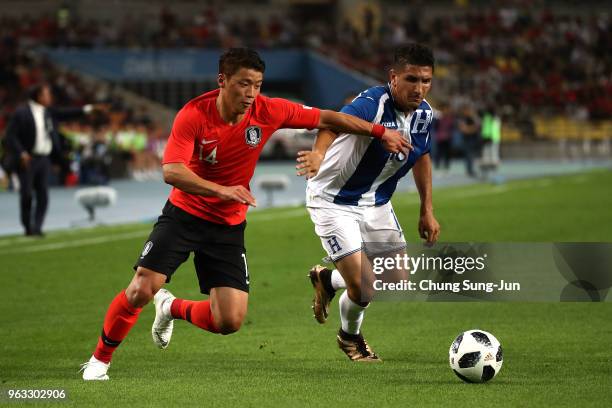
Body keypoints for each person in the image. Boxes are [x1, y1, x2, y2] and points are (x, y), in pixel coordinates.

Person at [80, 47, 410, 380]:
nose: (251, 93)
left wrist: (380, 132)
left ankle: (170, 307)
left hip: (227, 226)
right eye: (243, 84)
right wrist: (223, 191)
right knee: (141, 288)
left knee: (229, 321)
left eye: (257, 84)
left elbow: (328, 118)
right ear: (222, 81)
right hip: (184, 215)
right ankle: (99, 361)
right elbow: (172, 171)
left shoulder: (268, 110)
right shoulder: (194, 114)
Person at [296, 43, 440, 362]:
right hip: (333, 200)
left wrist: (426, 209)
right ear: (393, 77)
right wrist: (319, 154)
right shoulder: (372, 102)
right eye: (412, 79)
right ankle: (350, 338)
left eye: (426, 81)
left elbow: (422, 156)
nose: (419, 88)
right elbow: (331, 122)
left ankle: (327, 279)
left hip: (376, 203)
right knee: (364, 287)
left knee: (397, 278)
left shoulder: (425, 115)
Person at [4, 83, 101, 236]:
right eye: (47, 94)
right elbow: (10, 136)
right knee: (27, 194)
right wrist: (22, 153)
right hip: (27, 159)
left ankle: (37, 227)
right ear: (39, 96)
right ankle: (27, 226)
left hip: (44, 159)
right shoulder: (21, 112)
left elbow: (67, 113)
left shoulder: (48, 112)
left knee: (43, 193)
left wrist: (87, 109)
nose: (50, 97)